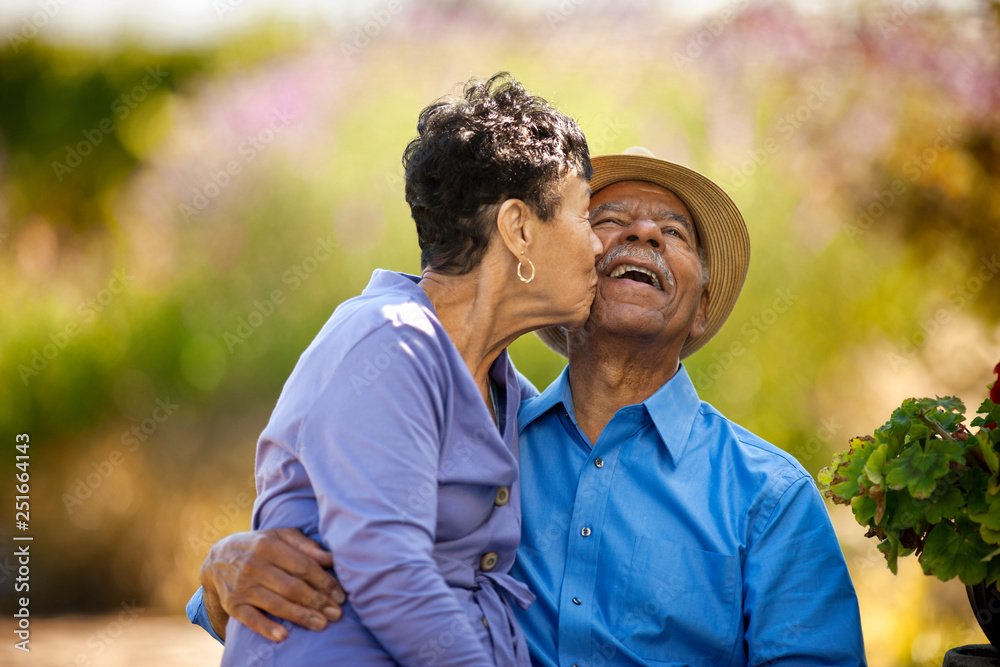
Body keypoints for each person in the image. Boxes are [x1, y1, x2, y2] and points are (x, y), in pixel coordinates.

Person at [190, 149, 867, 666]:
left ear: (702, 312)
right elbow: (362, 558)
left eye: (674, 233)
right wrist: (223, 568)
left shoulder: (769, 497)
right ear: (562, 272)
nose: (644, 236)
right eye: (608, 223)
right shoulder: (475, 442)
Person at [214, 72, 602, 666]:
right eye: (585, 217)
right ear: (519, 228)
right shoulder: (389, 342)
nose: (599, 246)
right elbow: (392, 572)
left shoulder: (505, 388)